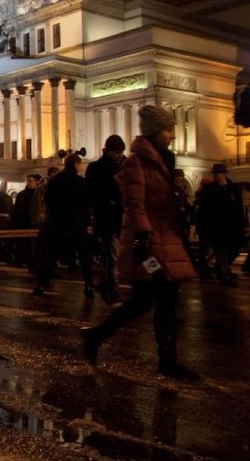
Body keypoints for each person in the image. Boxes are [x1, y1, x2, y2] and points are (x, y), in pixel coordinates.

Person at [82, 105, 200, 381]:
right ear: (155, 131)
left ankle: (166, 358)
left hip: (167, 238)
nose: (173, 135)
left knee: (162, 301)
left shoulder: (163, 162)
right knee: (146, 301)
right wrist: (144, 236)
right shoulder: (136, 163)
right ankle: (97, 337)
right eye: (169, 129)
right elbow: (134, 205)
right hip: (150, 242)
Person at [34, 153, 94, 298]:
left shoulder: (55, 182)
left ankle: (40, 284)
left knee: (50, 255)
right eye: (80, 165)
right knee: (84, 256)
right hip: (77, 223)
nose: (81, 168)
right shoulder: (81, 182)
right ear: (76, 165)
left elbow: (48, 200)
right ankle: (88, 286)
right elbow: (87, 202)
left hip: (58, 222)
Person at [85, 135, 127, 305]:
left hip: (126, 218)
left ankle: (109, 285)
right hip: (108, 218)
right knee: (112, 257)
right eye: (116, 152)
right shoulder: (96, 168)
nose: (119, 155)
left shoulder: (127, 165)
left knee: (120, 257)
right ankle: (113, 291)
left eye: (121, 152)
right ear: (107, 151)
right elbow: (90, 194)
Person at [195, 163, 243, 287]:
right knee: (220, 249)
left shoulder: (233, 187)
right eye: (215, 174)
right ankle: (223, 273)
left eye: (219, 174)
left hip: (232, 224)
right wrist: (205, 225)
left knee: (234, 247)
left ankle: (220, 268)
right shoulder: (210, 189)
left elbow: (238, 206)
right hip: (217, 225)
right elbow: (205, 209)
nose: (217, 176)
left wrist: (240, 222)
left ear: (224, 174)